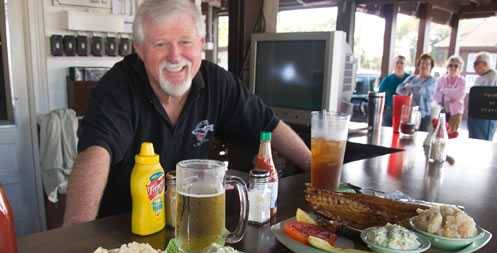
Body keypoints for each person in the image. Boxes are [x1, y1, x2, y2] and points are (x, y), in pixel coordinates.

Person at [63, 0, 311, 225]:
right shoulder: (115, 88)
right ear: (139, 49)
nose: (174, 56)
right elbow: (95, 154)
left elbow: (268, 124)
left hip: (189, 224)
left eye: (185, 42)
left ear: (201, 45)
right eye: (160, 44)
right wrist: (74, 239)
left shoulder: (218, 82)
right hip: (124, 229)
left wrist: (316, 171)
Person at [396, 53, 437, 132]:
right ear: (418, 65)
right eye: (422, 63)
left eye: (427, 64)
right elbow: (399, 89)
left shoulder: (432, 81)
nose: (424, 66)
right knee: (406, 140)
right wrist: (413, 87)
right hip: (408, 115)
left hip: (423, 116)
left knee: (419, 141)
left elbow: (421, 91)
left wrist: (409, 87)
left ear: (431, 67)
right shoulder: (412, 77)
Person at [467, 52, 497, 141]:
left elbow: (492, 99)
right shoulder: (479, 77)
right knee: (473, 140)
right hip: (475, 116)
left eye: (476, 63)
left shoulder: (494, 75)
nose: (474, 66)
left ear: (485, 63)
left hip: (485, 118)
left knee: (482, 142)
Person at [433, 55, 466, 134]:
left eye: (456, 66)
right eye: (450, 65)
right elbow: (436, 96)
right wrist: (451, 94)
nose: (453, 67)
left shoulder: (462, 80)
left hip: (455, 113)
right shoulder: (441, 79)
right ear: (447, 67)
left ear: (460, 68)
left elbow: (460, 95)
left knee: (451, 135)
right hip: (441, 111)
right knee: (439, 134)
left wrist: (444, 91)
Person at [378, 55, 409, 126]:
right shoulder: (387, 80)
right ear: (393, 64)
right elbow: (380, 96)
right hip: (389, 111)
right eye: (397, 62)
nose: (399, 65)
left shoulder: (409, 79)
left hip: (404, 112)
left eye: (402, 63)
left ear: (405, 65)